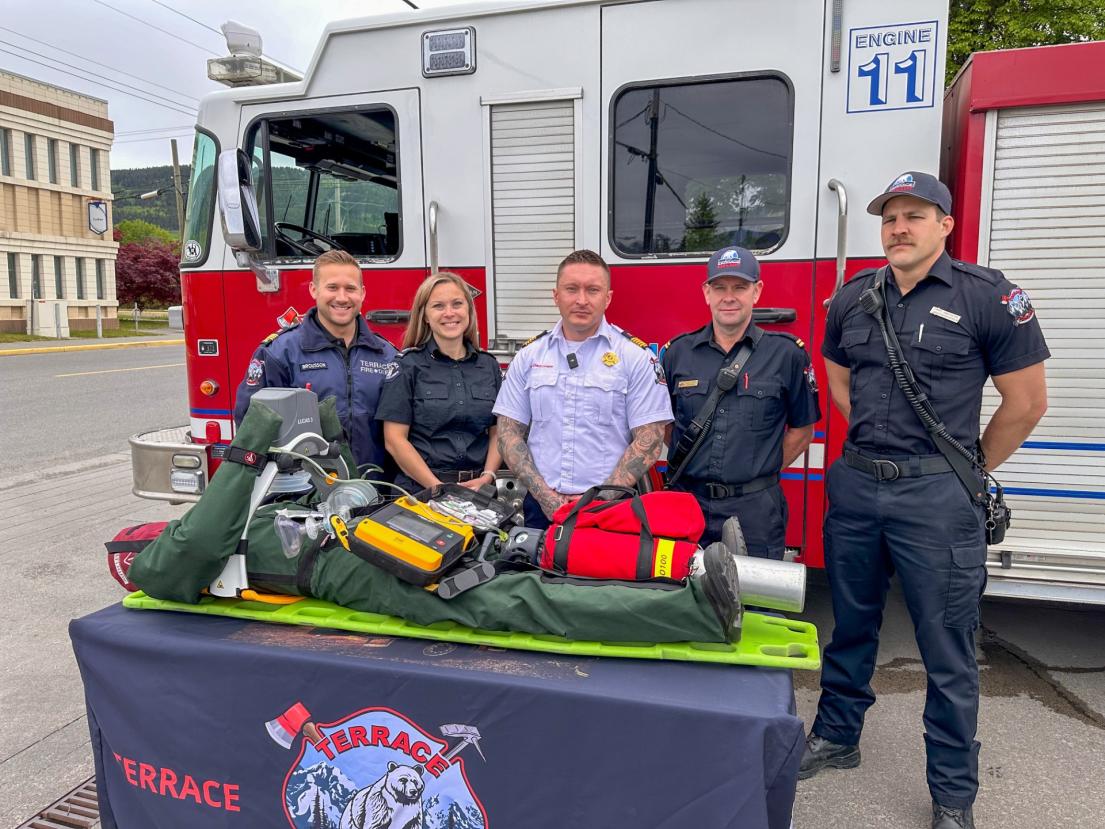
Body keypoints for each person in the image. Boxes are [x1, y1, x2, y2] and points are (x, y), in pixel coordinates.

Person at [800, 172, 1049, 829]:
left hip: (935, 496)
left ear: (944, 224)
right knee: (850, 622)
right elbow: (836, 372)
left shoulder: (988, 296)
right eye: (888, 217)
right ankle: (836, 734)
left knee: (945, 646)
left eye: (913, 215)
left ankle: (951, 794)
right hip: (856, 484)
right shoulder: (852, 297)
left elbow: (1025, 404)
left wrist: (958, 470)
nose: (897, 227)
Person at [493, 249, 673, 528]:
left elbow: (650, 440)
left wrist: (597, 501)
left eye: (593, 290)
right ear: (556, 296)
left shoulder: (635, 358)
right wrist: (546, 498)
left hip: (611, 510)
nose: (581, 300)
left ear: (608, 298)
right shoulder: (529, 356)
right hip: (541, 510)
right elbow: (507, 433)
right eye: (571, 289)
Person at [661, 246, 821, 557]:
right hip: (686, 504)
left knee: (751, 600)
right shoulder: (678, 353)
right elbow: (666, 426)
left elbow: (802, 432)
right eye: (719, 287)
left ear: (757, 291)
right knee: (682, 600)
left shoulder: (787, 354)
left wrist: (758, 473)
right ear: (707, 293)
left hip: (756, 511)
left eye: (740, 287)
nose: (729, 297)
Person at [233, 250, 397, 471]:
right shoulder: (280, 353)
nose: (341, 297)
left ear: (362, 293)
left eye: (350, 288)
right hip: (306, 495)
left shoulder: (387, 355)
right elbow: (250, 425)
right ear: (313, 289)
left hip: (375, 490)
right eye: (332, 288)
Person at [376, 273, 503, 494]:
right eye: (438, 306)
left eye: (457, 304)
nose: (449, 313)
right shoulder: (408, 365)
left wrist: (488, 476)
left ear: (469, 310)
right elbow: (394, 440)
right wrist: (438, 488)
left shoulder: (488, 366)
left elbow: (498, 431)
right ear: (425, 315)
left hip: (478, 491)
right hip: (421, 491)